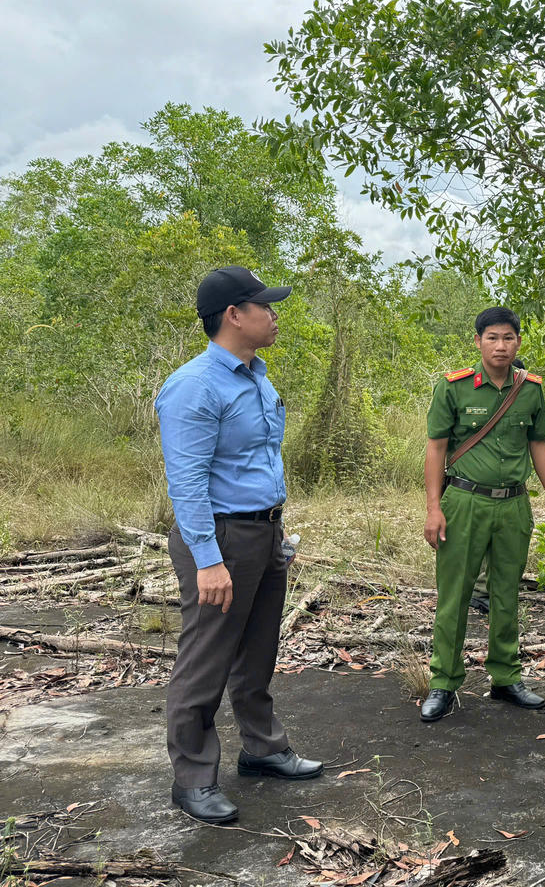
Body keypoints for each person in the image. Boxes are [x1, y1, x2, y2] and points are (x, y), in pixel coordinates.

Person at [156, 266, 323, 825]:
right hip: (221, 535)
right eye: (265, 306)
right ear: (234, 315)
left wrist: (276, 534)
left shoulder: (255, 376)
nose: (274, 315)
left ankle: (263, 748)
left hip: (263, 530)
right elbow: (187, 480)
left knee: (257, 650)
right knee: (206, 656)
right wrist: (208, 559)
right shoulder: (194, 386)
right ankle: (194, 779)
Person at [420, 308, 545, 721]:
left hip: (514, 504)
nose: (500, 346)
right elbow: (435, 448)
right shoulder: (453, 388)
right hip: (465, 502)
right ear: (478, 342)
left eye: (508, 338)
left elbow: (539, 444)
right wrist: (433, 509)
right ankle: (444, 682)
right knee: (455, 595)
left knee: (507, 592)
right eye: (492, 338)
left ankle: (505, 678)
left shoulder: (531, 390)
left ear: (518, 342)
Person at [469, 357, 526, 616]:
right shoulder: (474, 394)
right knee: (482, 543)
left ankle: (488, 592)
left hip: (508, 489)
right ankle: (481, 593)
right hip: (476, 487)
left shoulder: (524, 399)